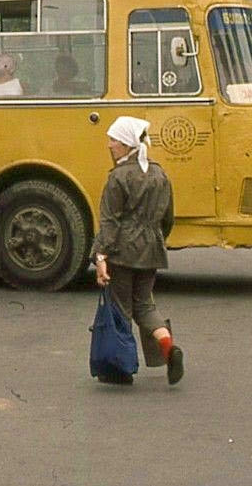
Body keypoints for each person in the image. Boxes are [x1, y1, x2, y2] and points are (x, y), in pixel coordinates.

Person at [92, 115, 183, 386]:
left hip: (122, 251)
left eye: (114, 140)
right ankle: (168, 348)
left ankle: (121, 368)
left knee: (121, 308)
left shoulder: (118, 178)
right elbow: (168, 218)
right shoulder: (160, 174)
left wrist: (100, 257)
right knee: (144, 304)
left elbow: (110, 222)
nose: (109, 145)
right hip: (152, 249)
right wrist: (154, 241)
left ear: (127, 144)